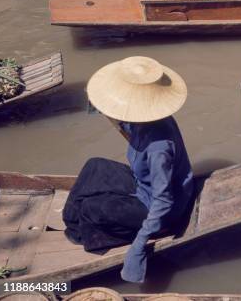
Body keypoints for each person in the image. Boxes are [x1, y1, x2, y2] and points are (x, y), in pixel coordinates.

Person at [63, 56, 194, 284]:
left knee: (94, 207)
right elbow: (126, 126)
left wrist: (142, 240)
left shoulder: (158, 148)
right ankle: (73, 221)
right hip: (143, 184)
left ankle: (84, 231)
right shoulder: (145, 120)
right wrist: (102, 104)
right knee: (95, 165)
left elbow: (163, 201)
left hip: (159, 208)